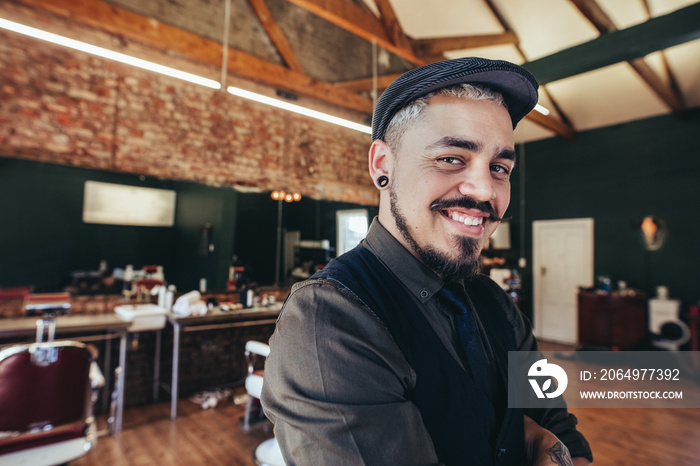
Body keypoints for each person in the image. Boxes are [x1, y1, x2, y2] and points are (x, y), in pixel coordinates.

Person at [261, 57, 593, 466]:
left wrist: (542, 438)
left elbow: (560, 431)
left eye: (500, 167)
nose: (485, 190)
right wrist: (527, 439)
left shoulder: (497, 305)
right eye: (452, 158)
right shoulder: (328, 319)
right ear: (383, 166)